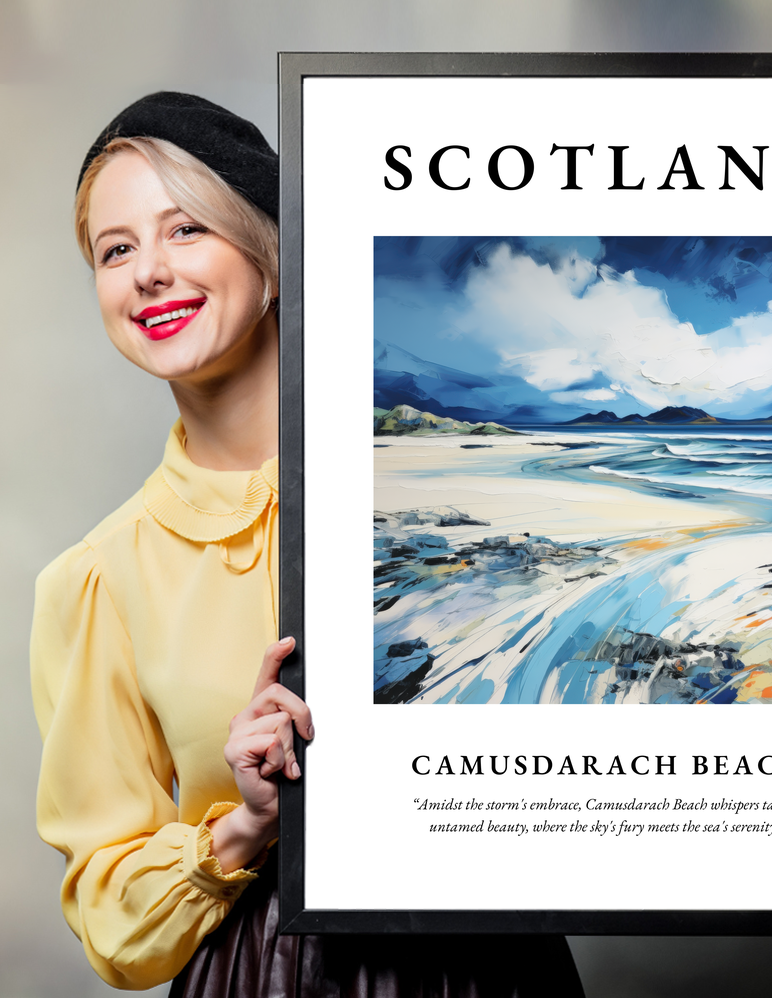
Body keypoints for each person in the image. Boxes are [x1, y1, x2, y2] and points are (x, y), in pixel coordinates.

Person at [30, 92, 586, 996]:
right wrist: (245, 824)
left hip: (493, 965)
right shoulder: (97, 579)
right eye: (116, 249)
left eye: (185, 230)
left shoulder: (444, 495)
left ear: (273, 255)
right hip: (263, 973)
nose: (148, 273)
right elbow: (110, 915)